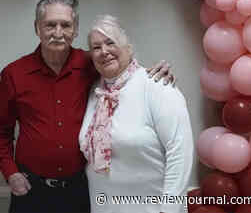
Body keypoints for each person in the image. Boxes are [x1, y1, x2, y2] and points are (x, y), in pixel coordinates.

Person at [0, 0, 175, 213]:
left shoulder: (92, 63)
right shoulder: (14, 74)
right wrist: (10, 172)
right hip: (31, 190)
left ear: (75, 29)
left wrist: (155, 73)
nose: (58, 33)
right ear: (37, 28)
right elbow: (0, 131)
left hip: (79, 190)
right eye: (50, 25)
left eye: (65, 25)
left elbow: (125, 70)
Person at [79, 15, 194, 213]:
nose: (104, 51)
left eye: (110, 42)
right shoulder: (94, 93)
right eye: (96, 47)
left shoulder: (156, 85)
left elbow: (180, 153)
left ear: (128, 48)